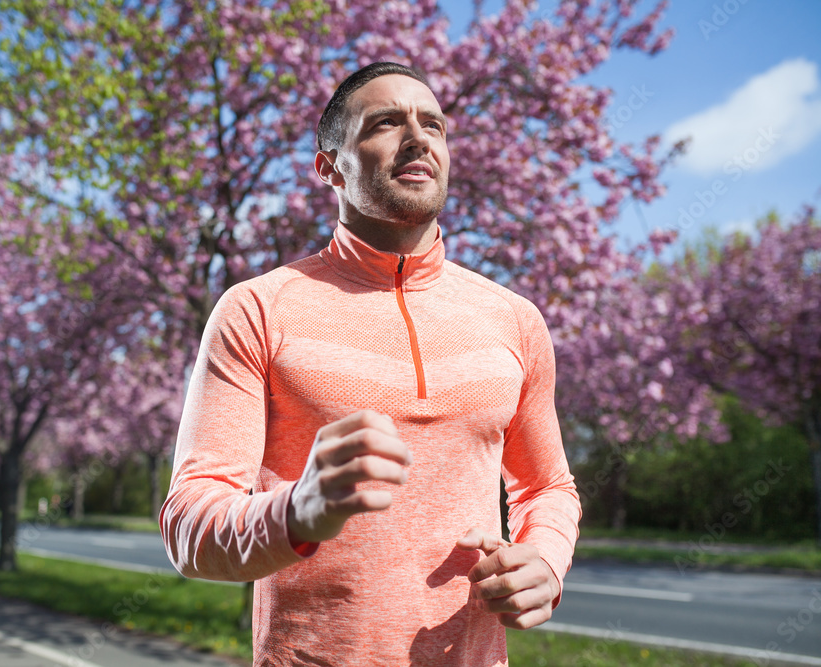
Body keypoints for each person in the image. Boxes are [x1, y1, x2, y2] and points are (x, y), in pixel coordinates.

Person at [160, 61, 581, 666]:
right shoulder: (256, 310)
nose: (418, 137)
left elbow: (547, 488)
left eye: (433, 124)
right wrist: (299, 511)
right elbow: (189, 526)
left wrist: (543, 558)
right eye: (386, 122)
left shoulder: (515, 319)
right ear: (328, 166)